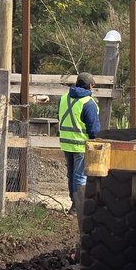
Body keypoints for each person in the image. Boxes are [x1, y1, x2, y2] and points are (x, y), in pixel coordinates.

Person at [59, 72, 100, 214]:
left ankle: (73, 203)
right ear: (89, 85)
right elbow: (93, 128)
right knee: (80, 176)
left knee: (71, 174)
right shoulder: (88, 102)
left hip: (66, 143)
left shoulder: (64, 98)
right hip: (81, 145)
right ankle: (78, 207)